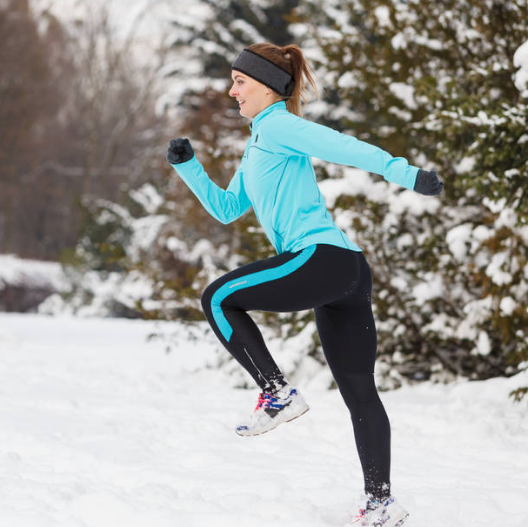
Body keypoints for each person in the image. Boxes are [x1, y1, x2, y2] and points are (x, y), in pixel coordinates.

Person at [166, 43, 442, 527]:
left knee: (218, 297)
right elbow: (228, 208)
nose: (232, 92)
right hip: (346, 272)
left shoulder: (275, 124)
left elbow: (341, 145)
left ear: (267, 87)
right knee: (360, 392)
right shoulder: (259, 143)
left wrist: (406, 173)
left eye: (240, 82)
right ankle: (380, 502)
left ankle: (276, 391)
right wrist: (189, 167)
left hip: (319, 258)